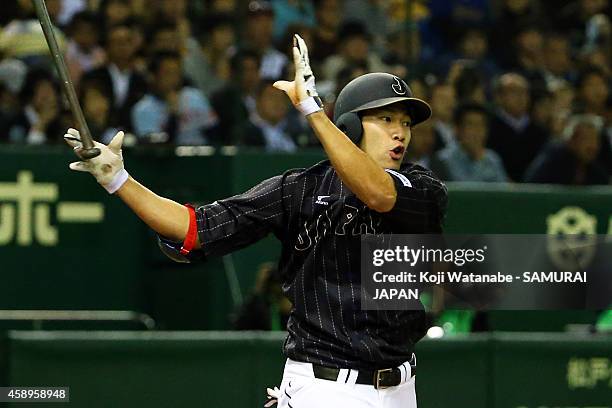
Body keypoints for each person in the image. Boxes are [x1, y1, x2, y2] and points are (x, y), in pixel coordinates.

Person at [63, 34, 447, 408]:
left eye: (406, 122)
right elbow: (196, 229)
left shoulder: (424, 188)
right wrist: (119, 180)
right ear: (348, 125)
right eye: (385, 118)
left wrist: (312, 111)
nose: (400, 131)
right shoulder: (298, 189)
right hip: (326, 387)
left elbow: (378, 194)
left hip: (401, 386)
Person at [431, 104, 508, 182]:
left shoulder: (493, 159)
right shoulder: (443, 161)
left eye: (481, 125)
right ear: (457, 129)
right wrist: (478, 159)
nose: (476, 131)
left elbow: (504, 192)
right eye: (470, 125)